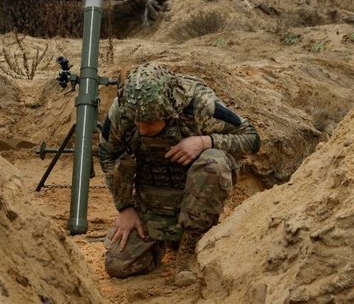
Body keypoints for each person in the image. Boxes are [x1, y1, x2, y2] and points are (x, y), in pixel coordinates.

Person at [99, 62, 260, 286]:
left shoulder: (200, 105)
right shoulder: (123, 109)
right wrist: (124, 208)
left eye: (150, 122)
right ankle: (164, 239)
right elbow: (108, 156)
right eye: (137, 122)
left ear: (170, 111)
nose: (142, 129)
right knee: (117, 266)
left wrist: (205, 141)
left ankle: (191, 243)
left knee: (213, 162)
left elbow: (252, 137)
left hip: (195, 196)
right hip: (150, 201)